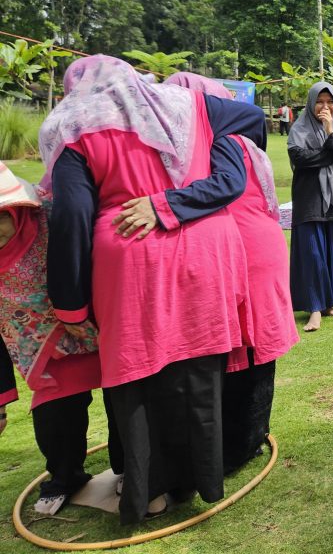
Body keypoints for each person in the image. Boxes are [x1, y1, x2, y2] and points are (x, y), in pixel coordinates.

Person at [40, 55, 266, 524]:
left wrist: (70, 302)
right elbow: (253, 116)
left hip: (132, 261)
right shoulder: (184, 106)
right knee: (196, 373)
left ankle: (151, 489)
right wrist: (201, 159)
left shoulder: (74, 124)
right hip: (204, 255)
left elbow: (72, 218)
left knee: (138, 377)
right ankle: (199, 479)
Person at [165, 72, 298, 473]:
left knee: (250, 348)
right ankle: (242, 438)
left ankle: (243, 443)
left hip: (245, 252)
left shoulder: (220, 141)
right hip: (246, 247)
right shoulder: (231, 139)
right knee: (241, 349)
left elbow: (225, 190)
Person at [0, 163, 104, 515]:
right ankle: (65, 476)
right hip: (42, 353)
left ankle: (131, 468)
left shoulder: (52, 219)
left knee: (127, 406)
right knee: (54, 422)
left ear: (18, 209)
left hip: (96, 329)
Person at [288, 82, 333, 332]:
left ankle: (328, 305)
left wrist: (331, 132)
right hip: (310, 200)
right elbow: (301, 158)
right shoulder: (299, 128)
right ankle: (314, 310)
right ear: (310, 103)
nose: (325, 107)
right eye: (320, 101)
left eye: (330, 102)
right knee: (312, 254)